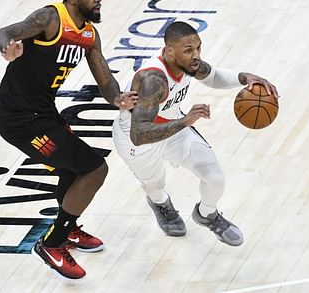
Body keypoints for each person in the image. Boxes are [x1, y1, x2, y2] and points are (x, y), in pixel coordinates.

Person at [0, 0, 137, 279]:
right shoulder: (50, 18)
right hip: (19, 120)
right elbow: (3, 33)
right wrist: (8, 49)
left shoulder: (89, 35)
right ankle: (52, 244)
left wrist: (118, 99)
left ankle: (68, 230)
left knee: (74, 170)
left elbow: (105, 79)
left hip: (43, 114)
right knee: (94, 168)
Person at [112, 21, 278, 245]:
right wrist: (186, 121)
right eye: (189, 50)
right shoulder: (154, 80)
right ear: (169, 51)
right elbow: (139, 134)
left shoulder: (186, 63)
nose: (196, 55)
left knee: (216, 179)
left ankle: (207, 213)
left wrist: (245, 78)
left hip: (173, 124)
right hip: (137, 138)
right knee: (155, 184)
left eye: (198, 48)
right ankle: (161, 203)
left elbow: (213, 76)